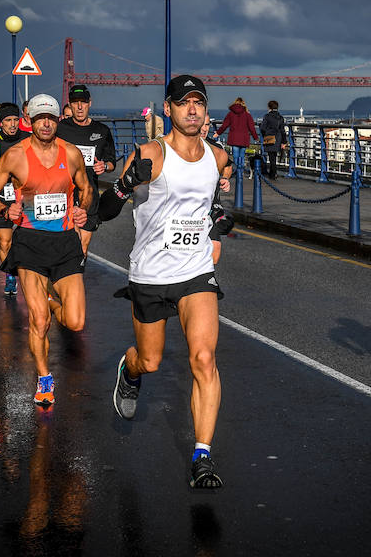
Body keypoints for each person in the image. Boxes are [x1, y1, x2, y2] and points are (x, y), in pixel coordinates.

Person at [98, 75, 230, 489]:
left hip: (195, 272)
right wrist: (123, 184)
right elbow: (104, 211)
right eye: (183, 103)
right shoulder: (150, 154)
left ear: (206, 110)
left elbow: (213, 201)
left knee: (204, 360)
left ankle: (202, 456)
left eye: (198, 103)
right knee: (150, 361)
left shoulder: (219, 157)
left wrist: (219, 222)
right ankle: (130, 371)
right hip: (151, 274)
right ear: (167, 109)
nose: (191, 109)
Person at [0, 93, 92, 406]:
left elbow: (85, 189)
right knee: (39, 322)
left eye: (51, 118)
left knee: (75, 322)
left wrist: (83, 209)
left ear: (58, 120)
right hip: (30, 242)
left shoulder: (70, 154)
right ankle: (44, 377)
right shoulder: (15, 155)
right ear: (30, 120)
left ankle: (48, 299)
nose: (45, 123)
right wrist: (6, 211)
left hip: (65, 242)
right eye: (40, 117)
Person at [55, 84, 116, 256]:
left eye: (83, 102)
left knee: (83, 246)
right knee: (67, 243)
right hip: (63, 193)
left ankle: (76, 278)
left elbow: (112, 163)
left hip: (89, 195)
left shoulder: (102, 131)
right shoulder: (60, 128)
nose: (79, 106)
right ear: (70, 104)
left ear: (90, 103)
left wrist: (103, 166)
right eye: (75, 102)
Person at [0, 102, 29, 293]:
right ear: (0, 122)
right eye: (8, 120)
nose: (12, 124)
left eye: (16, 120)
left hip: (26, 198)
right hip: (3, 198)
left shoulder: (29, 140)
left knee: (30, 240)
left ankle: (32, 274)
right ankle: (10, 276)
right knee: (5, 242)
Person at [199, 120, 234, 263]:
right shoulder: (177, 147)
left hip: (209, 206)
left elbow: (227, 165)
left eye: (207, 125)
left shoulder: (215, 147)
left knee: (215, 250)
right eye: (201, 124)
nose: (204, 128)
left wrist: (225, 178)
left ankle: (206, 279)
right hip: (182, 207)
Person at [215, 97, 257, 179]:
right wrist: (255, 137)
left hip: (234, 138)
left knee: (235, 157)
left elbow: (224, 125)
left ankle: (237, 172)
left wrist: (218, 133)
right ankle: (240, 172)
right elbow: (252, 128)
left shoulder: (230, 114)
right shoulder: (247, 115)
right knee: (242, 156)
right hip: (244, 139)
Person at [259, 100, 287, 180]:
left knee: (271, 157)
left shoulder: (267, 116)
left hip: (270, 137)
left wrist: (266, 134)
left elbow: (263, 128)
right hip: (278, 138)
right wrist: (284, 142)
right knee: (273, 157)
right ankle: (273, 173)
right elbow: (282, 130)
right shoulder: (280, 117)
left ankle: (273, 174)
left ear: (269, 107)